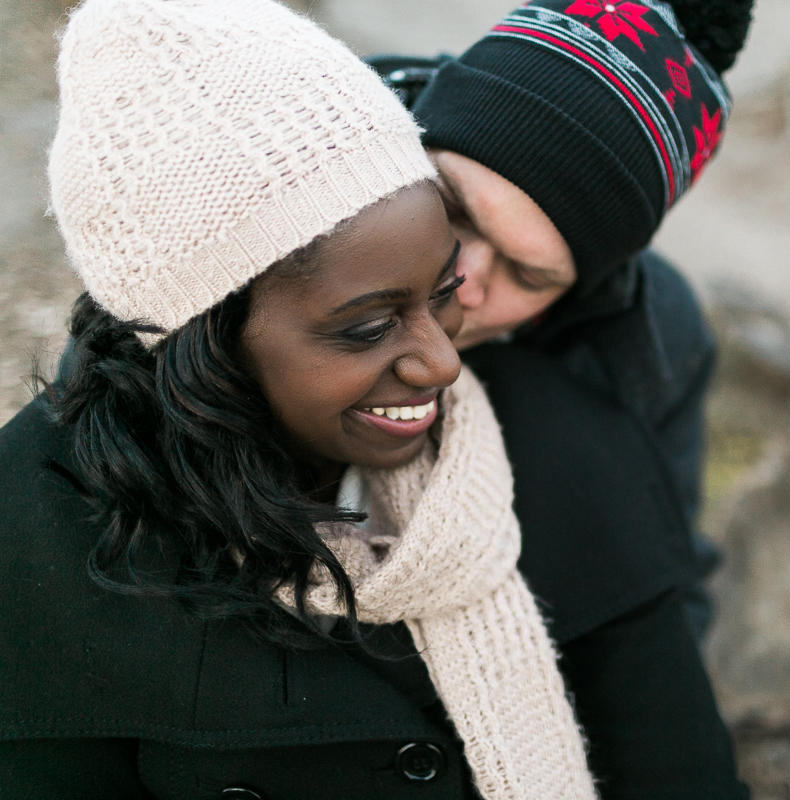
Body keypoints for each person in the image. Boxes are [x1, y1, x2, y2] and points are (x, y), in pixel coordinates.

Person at [0, 0, 746, 797]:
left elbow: (655, 613)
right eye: (454, 215)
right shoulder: (269, 178)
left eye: (527, 276)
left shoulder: (613, 381)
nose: (448, 342)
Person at [372, 0, 755, 643]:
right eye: (449, 206)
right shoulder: (277, 164)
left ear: (579, 293)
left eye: (525, 274)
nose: (458, 281)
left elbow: (662, 581)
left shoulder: (651, 346)